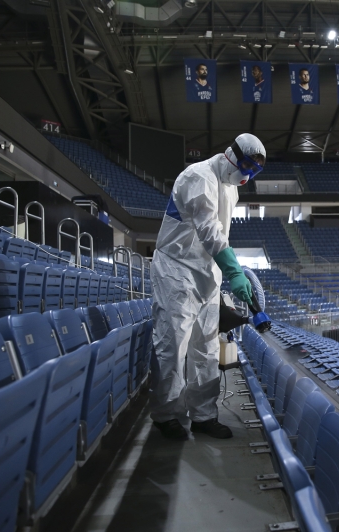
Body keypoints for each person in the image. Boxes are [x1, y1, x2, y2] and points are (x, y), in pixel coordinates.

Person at [150, 133, 266, 440]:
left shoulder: (230, 189)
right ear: (233, 156)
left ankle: (203, 414)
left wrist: (226, 272)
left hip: (206, 274)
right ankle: (166, 415)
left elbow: (222, 237)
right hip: (177, 270)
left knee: (207, 348)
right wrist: (234, 270)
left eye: (254, 172)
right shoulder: (199, 177)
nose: (247, 176)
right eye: (247, 167)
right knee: (173, 346)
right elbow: (210, 230)